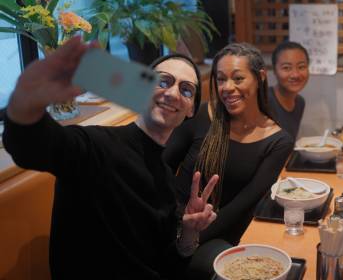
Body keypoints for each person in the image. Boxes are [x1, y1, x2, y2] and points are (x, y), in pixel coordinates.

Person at [2, 36, 219, 279]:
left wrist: (189, 232)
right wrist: (26, 99)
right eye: (163, 81)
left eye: (186, 89)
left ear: (190, 109)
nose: (172, 93)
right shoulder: (96, 146)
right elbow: (30, 146)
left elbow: (168, 266)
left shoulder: (165, 181)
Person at [163, 43, 294, 279]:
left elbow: (241, 208)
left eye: (238, 78)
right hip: (169, 226)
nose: (227, 88)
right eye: (221, 79)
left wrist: (188, 240)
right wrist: (172, 232)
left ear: (260, 78)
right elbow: (161, 168)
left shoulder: (278, 142)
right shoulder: (202, 115)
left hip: (217, 236)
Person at [268, 41, 310, 140]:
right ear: (274, 70)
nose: (295, 74)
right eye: (286, 68)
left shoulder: (300, 102)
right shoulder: (264, 101)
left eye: (301, 67)